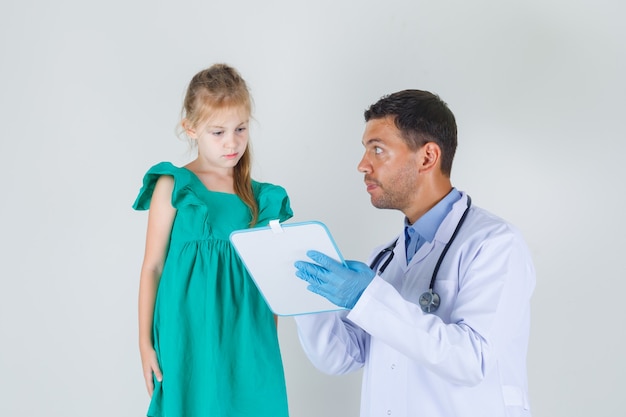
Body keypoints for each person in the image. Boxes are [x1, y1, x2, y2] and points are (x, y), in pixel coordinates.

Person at [293, 89, 535, 417]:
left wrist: (368, 297)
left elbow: (472, 360)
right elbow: (341, 358)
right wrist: (305, 296)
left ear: (427, 157)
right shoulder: (385, 258)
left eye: (377, 150)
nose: (363, 165)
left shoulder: (494, 244)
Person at [133, 63, 292, 417]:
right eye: (218, 132)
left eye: (240, 129)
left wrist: (266, 338)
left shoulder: (262, 199)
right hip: (186, 330)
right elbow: (153, 267)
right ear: (191, 129)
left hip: (247, 332)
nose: (232, 142)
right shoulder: (174, 186)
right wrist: (144, 343)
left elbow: (268, 279)